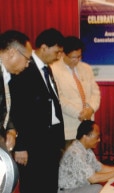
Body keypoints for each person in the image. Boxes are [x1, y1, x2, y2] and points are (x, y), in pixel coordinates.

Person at [9, 28, 65, 193]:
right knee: (34, 186)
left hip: (50, 141)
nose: (59, 56)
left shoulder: (47, 69)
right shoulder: (24, 67)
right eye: (57, 51)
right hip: (32, 143)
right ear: (44, 47)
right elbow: (17, 109)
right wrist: (20, 145)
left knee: (49, 185)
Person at [51, 36, 100, 148]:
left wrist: (91, 109)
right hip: (70, 126)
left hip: (88, 125)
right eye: (73, 57)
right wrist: (80, 114)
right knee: (68, 161)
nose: (77, 60)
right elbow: (59, 98)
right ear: (63, 54)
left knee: (87, 160)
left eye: (79, 56)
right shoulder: (53, 70)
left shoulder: (86, 68)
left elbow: (95, 92)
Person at [0, 30, 32, 193]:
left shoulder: (5, 75)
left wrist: (11, 129)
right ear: (12, 52)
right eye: (27, 59)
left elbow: (3, 108)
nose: (27, 64)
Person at [58, 120, 114, 193]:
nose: (99, 140)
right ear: (85, 136)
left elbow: (100, 168)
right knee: (98, 188)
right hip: (67, 190)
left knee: (103, 186)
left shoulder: (86, 149)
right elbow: (93, 179)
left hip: (79, 188)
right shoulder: (74, 152)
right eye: (97, 136)